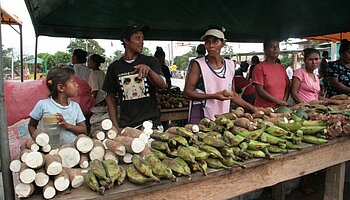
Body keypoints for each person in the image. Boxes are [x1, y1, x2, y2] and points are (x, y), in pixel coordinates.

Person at [184, 26, 257, 123]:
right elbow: (187, 93)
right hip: (201, 114)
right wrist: (214, 96)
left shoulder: (230, 65)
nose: (211, 46)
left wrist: (253, 108)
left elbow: (233, 95)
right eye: (208, 42)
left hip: (223, 116)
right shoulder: (198, 64)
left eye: (215, 41)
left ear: (223, 44)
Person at [102, 25, 166, 130]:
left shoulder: (150, 61)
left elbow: (162, 85)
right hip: (127, 126)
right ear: (126, 41)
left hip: (151, 125)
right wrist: (115, 126)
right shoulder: (114, 67)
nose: (141, 42)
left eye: (142, 38)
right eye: (137, 38)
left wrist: (149, 71)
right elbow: (110, 97)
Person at [28, 67, 87, 144]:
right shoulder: (43, 105)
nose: (77, 85)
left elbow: (83, 130)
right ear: (61, 87)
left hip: (72, 150)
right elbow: (31, 126)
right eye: (73, 82)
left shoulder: (75, 107)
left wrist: (67, 126)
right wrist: (39, 140)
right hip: (49, 151)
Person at [252, 39, 290, 108]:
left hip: (280, 108)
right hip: (264, 109)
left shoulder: (281, 67)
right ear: (265, 50)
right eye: (272, 46)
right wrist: (278, 101)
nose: (275, 49)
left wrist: (284, 101)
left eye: (277, 46)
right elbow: (260, 91)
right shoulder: (259, 68)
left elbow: (287, 86)